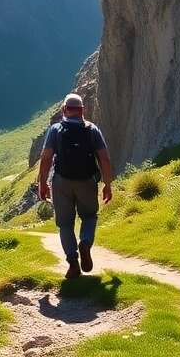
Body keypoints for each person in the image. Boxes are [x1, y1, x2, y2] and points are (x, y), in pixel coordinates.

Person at [37, 93, 114, 278]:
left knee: (65, 224)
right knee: (89, 216)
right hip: (87, 181)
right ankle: (85, 243)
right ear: (82, 110)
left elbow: (46, 158)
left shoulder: (56, 130)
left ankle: (73, 263)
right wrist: (107, 184)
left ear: (64, 110)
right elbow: (104, 158)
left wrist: (42, 183)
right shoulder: (92, 130)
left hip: (61, 182)